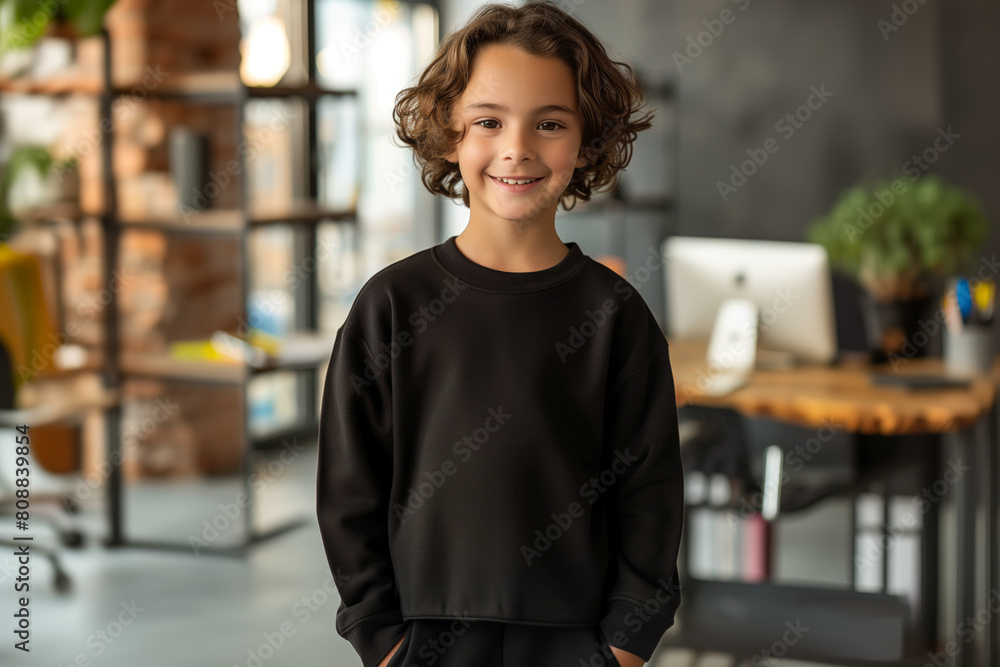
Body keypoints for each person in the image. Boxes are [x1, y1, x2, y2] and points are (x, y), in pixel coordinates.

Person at [316, 2, 684, 666]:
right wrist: (384, 638)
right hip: (425, 640)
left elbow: (650, 495)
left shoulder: (617, 316)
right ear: (451, 135)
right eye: (489, 122)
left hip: (579, 643)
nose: (517, 148)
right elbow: (349, 489)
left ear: (587, 141)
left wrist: (625, 644)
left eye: (549, 123)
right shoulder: (390, 306)